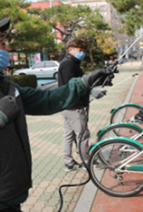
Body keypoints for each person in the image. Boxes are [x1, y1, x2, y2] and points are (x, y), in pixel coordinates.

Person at [0, 17, 113, 211]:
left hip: (8, 196)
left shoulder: (3, 84)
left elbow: (45, 100)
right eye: (1, 41)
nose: (7, 47)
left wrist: (84, 82)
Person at [56, 39, 90, 171]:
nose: (82, 53)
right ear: (70, 49)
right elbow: (72, 85)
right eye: (80, 50)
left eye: (84, 51)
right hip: (73, 106)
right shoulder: (69, 64)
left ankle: (69, 162)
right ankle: (86, 161)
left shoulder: (71, 62)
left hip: (67, 105)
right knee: (83, 134)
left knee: (68, 134)